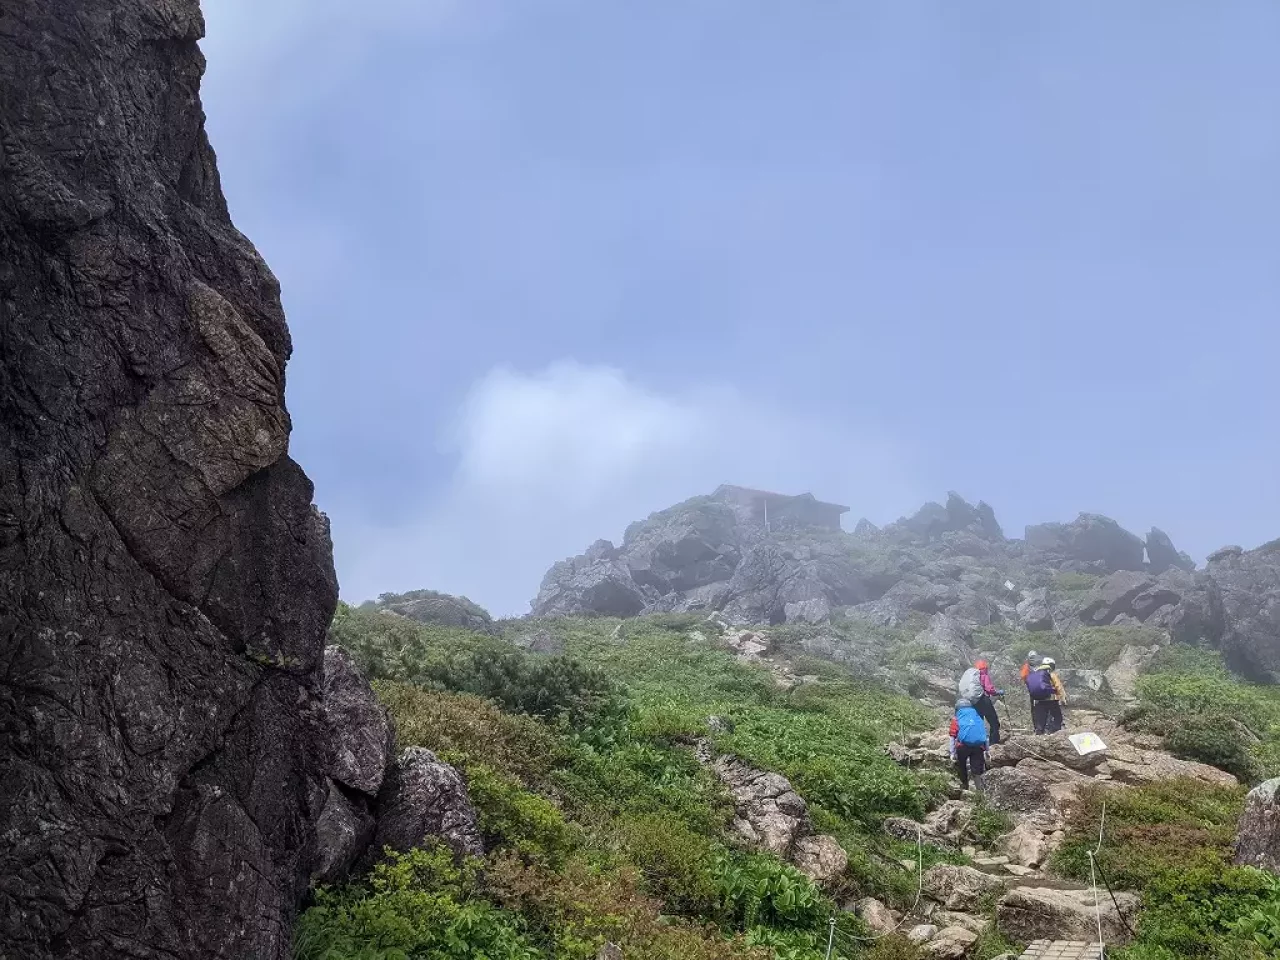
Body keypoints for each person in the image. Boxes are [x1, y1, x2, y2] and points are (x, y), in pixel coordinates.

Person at [958, 660, 1004, 745]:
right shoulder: (983, 675)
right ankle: (994, 743)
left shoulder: (973, 676)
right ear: (985, 667)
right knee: (993, 721)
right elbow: (989, 689)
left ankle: (979, 743)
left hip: (974, 702)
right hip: (984, 700)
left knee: (979, 722)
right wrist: (998, 692)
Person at [949, 698, 989, 793]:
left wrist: (952, 753)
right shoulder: (977, 717)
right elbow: (985, 735)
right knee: (977, 770)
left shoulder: (956, 718)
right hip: (978, 747)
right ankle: (980, 791)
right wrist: (987, 751)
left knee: (962, 765)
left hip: (963, 746)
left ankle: (964, 786)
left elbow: (952, 737)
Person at [1026, 656, 1068, 734]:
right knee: (1057, 717)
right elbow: (1058, 685)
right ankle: (1055, 734)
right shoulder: (1050, 672)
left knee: (1041, 720)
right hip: (1050, 699)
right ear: (1051, 665)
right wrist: (1063, 698)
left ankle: (1039, 735)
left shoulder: (1035, 672)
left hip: (1038, 700)